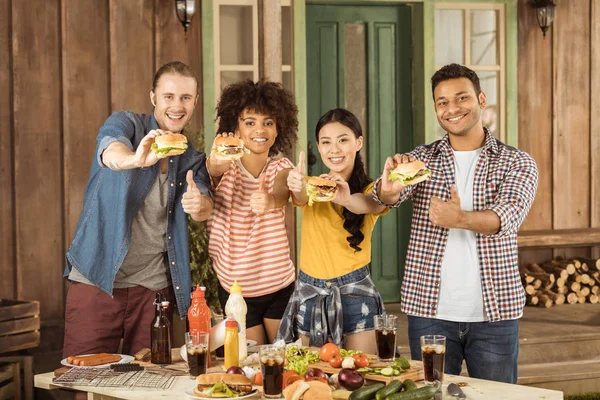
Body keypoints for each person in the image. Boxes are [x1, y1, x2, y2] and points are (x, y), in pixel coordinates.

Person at [372, 63, 538, 383]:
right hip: (430, 312)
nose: (452, 108)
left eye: (462, 98)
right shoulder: (421, 159)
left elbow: (507, 218)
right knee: (430, 394)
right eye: (442, 102)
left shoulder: (517, 162)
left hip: (495, 314)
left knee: (495, 396)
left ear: (481, 99)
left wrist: (459, 219)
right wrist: (388, 189)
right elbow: (387, 198)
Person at [62, 61, 213, 359]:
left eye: (185, 97)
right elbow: (110, 150)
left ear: (195, 101)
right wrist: (134, 160)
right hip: (97, 277)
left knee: (147, 381)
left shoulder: (192, 157)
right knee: (83, 379)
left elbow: (204, 202)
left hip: (152, 290)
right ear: (154, 98)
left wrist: (200, 206)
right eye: (168, 96)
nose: (177, 106)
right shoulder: (127, 125)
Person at [276, 108, 388, 353]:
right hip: (309, 293)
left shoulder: (372, 188)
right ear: (318, 146)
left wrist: (345, 199)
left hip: (355, 294)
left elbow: (371, 204)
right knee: (311, 376)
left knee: (360, 377)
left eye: (343, 140)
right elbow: (302, 196)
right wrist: (296, 183)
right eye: (326, 142)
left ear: (358, 142)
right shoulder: (311, 185)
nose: (334, 149)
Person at [206, 79, 298, 345]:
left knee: (285, 360)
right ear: (234, 126)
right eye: (250, 122)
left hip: (279, 285)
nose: (260, 129)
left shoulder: (280, 166)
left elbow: (282, 191)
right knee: (251, 366)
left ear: (279, 127)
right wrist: (218, 160)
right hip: (236, 291)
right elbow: (214, 167)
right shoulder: (225, 166)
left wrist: (270, 201)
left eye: (268, 122)